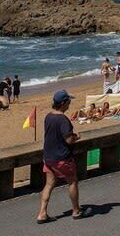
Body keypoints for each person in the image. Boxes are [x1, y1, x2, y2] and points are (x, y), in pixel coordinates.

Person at [37, 90, 82, 224]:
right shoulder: (63, 119)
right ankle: (76, 210)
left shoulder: (48, 116)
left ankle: (42, 213)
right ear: (63, 103)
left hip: (48, 156)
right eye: (68, 102)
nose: (69, 104)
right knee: (72, 181)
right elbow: (68, 139)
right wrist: (76, 137)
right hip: (62, 157)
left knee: (49, 184)